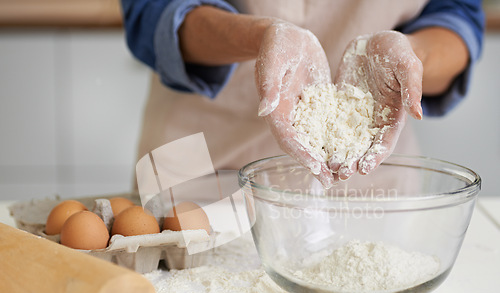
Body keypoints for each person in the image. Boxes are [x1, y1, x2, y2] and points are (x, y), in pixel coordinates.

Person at [120, 0, 484, 188]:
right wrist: (259, 37)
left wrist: (411, 60)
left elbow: (456, 13)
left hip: (370, 184)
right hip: (205, 175)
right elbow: (151, 11)